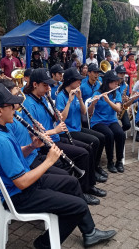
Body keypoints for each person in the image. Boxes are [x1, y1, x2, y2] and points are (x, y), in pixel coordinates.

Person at [0, 83, 116, 248]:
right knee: (79, 205)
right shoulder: (1, 141)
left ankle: (90, 232)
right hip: (20, 195)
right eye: (10, 106)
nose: (15, 109)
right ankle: (44, 244)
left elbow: (16, 155)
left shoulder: (0, 129)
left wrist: (31, 147)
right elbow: (21, 182)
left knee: (72, 182)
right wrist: (49, 161)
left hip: (25, 186)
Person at [22, 68, 105, 205]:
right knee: (83, 153)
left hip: (55, 138)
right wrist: (55, 130)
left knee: (88, 148)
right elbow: (33, 134)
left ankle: (89, 185)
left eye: (49, 85)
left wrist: (56, 116)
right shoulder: (29, 104)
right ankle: (82, 191)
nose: (48, 88)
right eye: (45, 85)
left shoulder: (42, 98)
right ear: (35, 84)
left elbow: (51, 119)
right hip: (45, 145)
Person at [56, 67, 107, 182]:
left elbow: (84, 112)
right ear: (70, 81)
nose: (80, 82)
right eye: (77, 80)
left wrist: (79, 99)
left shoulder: (77, 93)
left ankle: (95, 167)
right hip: (67, 131)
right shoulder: (61, 96)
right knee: (92, 143)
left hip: (77, 128)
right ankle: (91, 172)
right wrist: (69, 101)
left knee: (100, 138)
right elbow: (61, 118)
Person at [88, 70, 126, 173]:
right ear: (107, 82)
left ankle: (119, 161)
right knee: (109, 135)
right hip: (98, 122)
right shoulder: (97, 93)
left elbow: (118, 109)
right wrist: (93, 104)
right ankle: (110, 162)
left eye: (117, 82)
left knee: (120, 134)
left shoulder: (116, 93)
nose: (116, 84)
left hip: (111, 121)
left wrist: (108, 101)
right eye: (114, 82)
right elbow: (89, 112)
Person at [115, 65, 131, 131]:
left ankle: (119, 134)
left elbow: (127, 97)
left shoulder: (126, 85)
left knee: (127, 125)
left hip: (122, 108)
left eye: (124, 73)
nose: (122, 75)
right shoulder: (112, 84)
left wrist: (127, 99)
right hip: (113, 107)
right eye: (120, 73)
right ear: (116, 74)